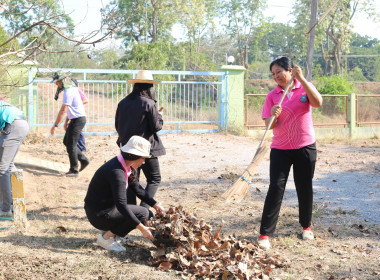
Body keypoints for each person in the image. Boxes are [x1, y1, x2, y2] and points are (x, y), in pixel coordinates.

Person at [258, 56, 323, 250]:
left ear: (290, 71)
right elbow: (269, 125)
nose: (276, 76)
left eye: (279, 72)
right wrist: (273, 115)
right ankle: (264, 235)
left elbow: (318, 103)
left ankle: (306, 227)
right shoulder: (272, 95)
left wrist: (302, 79)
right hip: (280, 149)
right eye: (273, 74)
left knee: (304, 187)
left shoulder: (304, 87)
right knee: (276, 188)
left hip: (305, 146)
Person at [84, 135, 165, 252]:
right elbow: (121, 205)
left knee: (148, 214)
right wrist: (142, 228)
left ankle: (113, 233)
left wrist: (155, 204)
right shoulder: (117, 172)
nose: (143, 162)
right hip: (98, 214)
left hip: (107, 208)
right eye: (143, 158)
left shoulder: (125, 165)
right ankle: (105, 238)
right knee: (143, 213)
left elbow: (138, 189)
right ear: (135, 156)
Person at [115, 70, 166, 210]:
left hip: (127, 148)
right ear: (149, 87)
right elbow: (156, 126)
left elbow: (117, 125)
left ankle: (133, 211)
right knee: (154, 179)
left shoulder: (123, 102)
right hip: (145, 148)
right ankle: (144, 210)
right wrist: (159, 116)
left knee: (131, 180)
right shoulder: (149, 103)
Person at [50, 71, 90, 177]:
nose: (56, 84)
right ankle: (83, 159)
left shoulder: (69, 92)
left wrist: (55, 125)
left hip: (78, 119)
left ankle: (74, 170)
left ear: (62, 81)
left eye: (57, 82)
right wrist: (67, 121)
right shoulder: (72, 90)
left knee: (71, 145)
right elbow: (72, 108)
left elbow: (63, 110)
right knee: (66, 142)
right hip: (75, 119)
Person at [0, 99, 29, 217]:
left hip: (13, 125)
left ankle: (6, 209)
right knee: (9, 165)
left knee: (2, 168)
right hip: (20, 124)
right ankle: (16, 202)